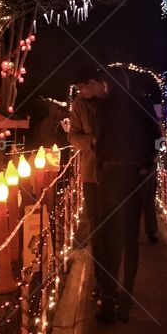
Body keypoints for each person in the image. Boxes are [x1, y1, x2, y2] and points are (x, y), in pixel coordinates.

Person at [79, 66, 160, 324]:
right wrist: (147, 163)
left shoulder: (104, 107)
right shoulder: (142, 103)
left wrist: (102, 162)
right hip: (135, 174)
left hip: (111, 175)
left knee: (109, 238)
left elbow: (99, 142)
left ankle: (109, 298)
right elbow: (156, 136)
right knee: (130, 237)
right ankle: (126, 299)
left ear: (108, 84)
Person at [67, 68, 104, 299]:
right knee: (95, 223)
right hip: (91, 172)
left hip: (114, 172)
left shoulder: (110, 100)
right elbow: (73, 136)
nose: (81, 92)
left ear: (93, 82)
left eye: (83, 87)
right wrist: (91, 140)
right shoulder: (79, 105)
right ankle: (100, 277)